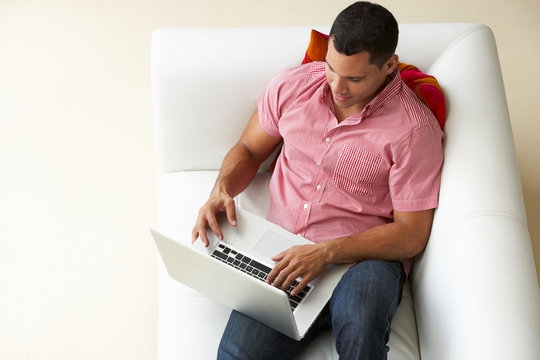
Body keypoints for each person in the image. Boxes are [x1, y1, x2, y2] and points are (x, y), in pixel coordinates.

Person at [192, 2, 444, 359]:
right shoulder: (293, 87)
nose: (337, 87)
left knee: (362, 329)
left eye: (355, 78)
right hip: (284, 255)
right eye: (331, 68)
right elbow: (249, 149)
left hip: (364, 261)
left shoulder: (413, 131)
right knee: (236, 354)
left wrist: (326, 253)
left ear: (389, 65)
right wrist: (221, 190)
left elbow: (412, 232)